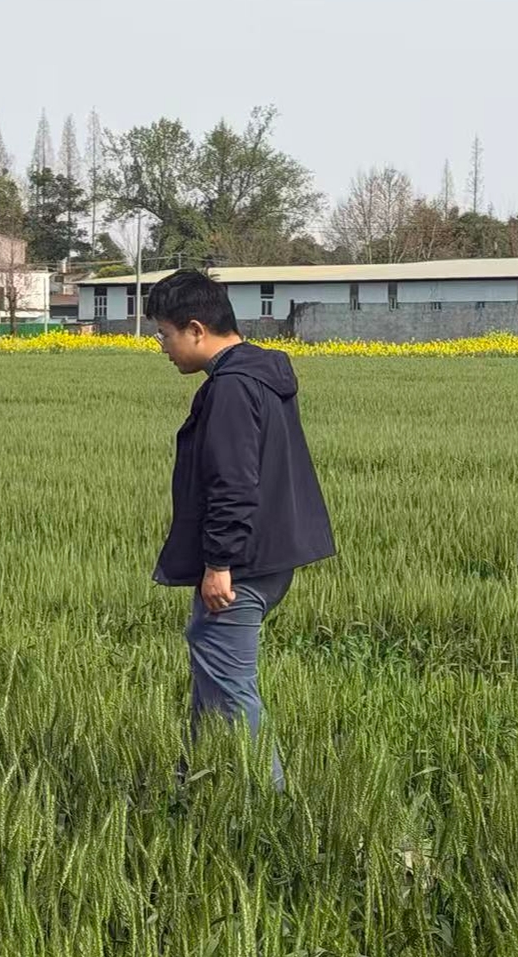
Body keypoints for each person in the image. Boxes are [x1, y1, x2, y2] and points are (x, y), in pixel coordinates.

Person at [148, 271, 335, 792]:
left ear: (196, 329)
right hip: (273, 555)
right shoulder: (262, 373)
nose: (161, 347)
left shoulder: (231, 388)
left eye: (164, 334)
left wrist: (219, 563)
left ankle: (273, 807)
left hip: (242, 564)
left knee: (230, 687)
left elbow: (232, 482)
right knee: (211, 671)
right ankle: (191, 785)